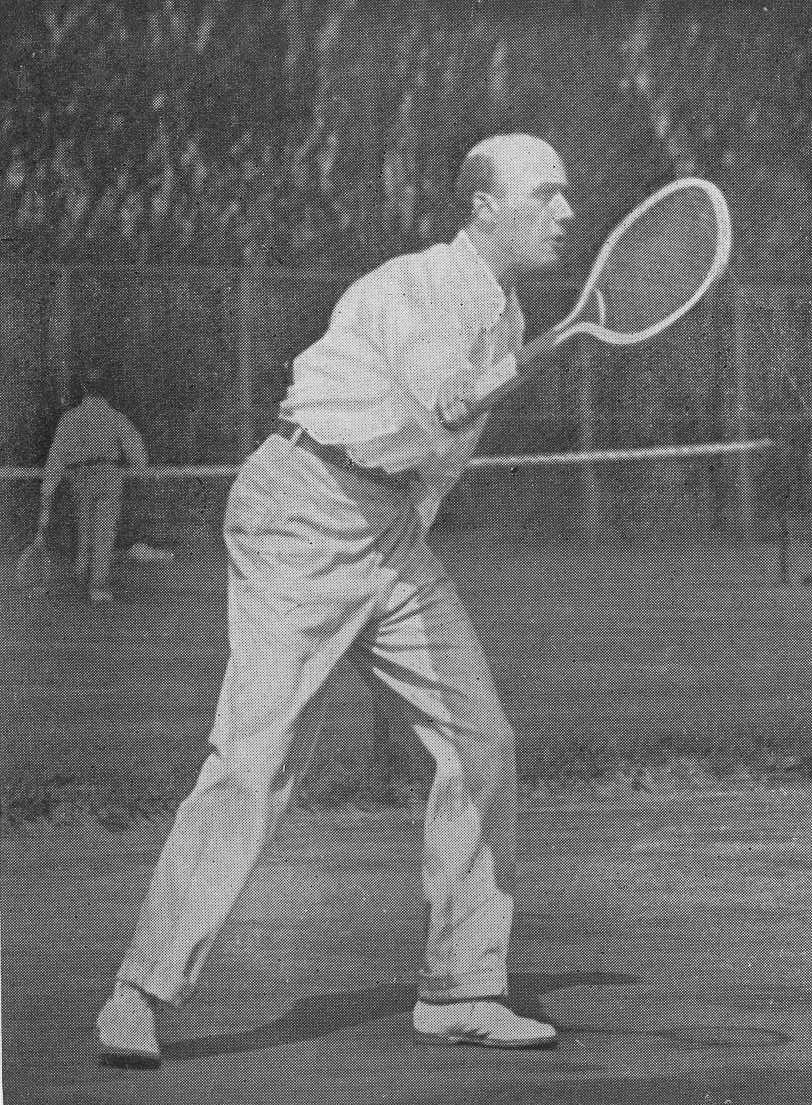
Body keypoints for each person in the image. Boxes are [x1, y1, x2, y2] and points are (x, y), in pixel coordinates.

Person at [96, 133, 574, 1064]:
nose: (565, 214)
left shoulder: (508, 318)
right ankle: (138, 989)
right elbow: (442, 401)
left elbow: (434, 462)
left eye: (567, 197)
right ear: (484, 207)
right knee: (258, 758)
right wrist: (528, 363)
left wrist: (399, 546)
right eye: (545, 195)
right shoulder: (413, 286)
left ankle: (462, 988)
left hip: (389, 531)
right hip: (302, 507)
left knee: (482, 740)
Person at [35, 369, 149, 603]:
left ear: (83, 388)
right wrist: (140, 470)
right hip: (107, 474)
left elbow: (56, 458)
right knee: (104, 532)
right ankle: (97, 586)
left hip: (79, 477)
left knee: (84, 529)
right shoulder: (115, 417)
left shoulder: (70, 418)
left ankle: (82, 578)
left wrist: (47, 493)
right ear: (107, 389)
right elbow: (136, 452)